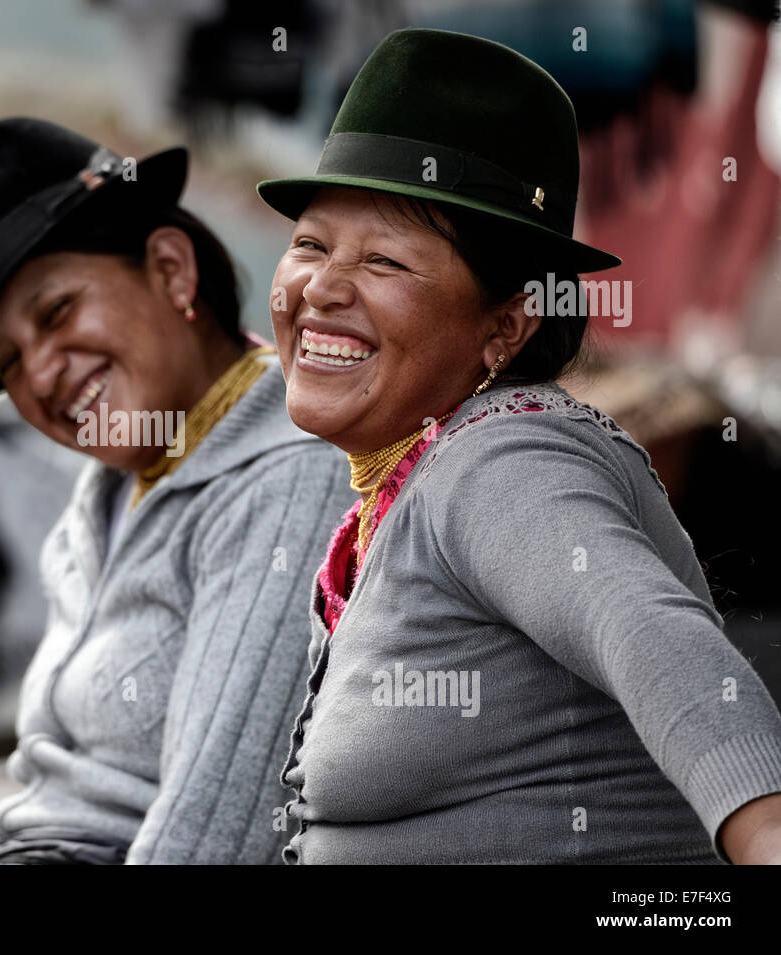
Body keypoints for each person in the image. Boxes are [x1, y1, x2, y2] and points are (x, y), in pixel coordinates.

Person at [256, 28, 781, 864]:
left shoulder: (502, 459)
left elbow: (654, 635)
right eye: (311, 244)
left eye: (385, 259)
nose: (319, 287)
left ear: (507, 323)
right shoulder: (409, 480)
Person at [0, 117, 352, 863]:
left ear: (172, 269)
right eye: (7, 361)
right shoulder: (101, 503)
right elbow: (54, 790)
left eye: (56, 312)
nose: (41, 375)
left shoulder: (288, 473)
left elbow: (219, 833)